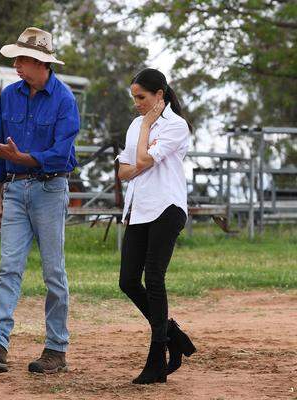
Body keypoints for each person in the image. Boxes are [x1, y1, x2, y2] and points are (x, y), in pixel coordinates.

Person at [0, 27, 80, 374]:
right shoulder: (11, 96)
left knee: (53, 271)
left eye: (21, 59)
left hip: (49, 188)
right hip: (14, 190)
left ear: (40, 62)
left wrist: (23, 157)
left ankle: (56, 349)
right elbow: (1, 145)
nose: (16, 65)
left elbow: (62, 155)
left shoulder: (64, 100)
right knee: (8, 268)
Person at [117, 68, 196, 384]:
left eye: (142, 97)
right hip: (138, 210)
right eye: (134, 97)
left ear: (159, 95)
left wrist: (149, 126)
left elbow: (143, 162)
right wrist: (141, 151)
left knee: (154, 277)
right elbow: (124, 171)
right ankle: (173, 335)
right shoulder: (136, 125)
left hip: (167, 208)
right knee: (127, 281)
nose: (137, 103)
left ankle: (157, 358)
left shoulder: (176, 126)